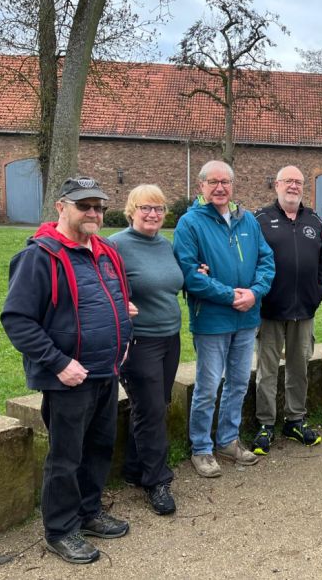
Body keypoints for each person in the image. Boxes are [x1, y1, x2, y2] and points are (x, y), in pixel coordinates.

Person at [1, 176, 133, 564]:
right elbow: (17, 319)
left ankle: (89, 512)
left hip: (106, 370)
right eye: (84, 206)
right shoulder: (39, 257)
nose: (93, 213)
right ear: (61, 207)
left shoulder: (106, 251)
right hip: (69, 378)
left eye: (99, 207)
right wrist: (59, 363)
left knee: (99, 447)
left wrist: (123, 327)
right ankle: (59, 530)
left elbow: (112, 298)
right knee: (66, 457)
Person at [173, 160, 275, 477]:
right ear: (201, 186)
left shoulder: (248, 220)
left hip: (247, 318)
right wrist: (231, 296)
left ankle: (228, 440)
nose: (220, 188)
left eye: (225, 182)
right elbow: (190, 275)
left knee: (239, 383)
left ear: (233, 185)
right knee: (207, 387)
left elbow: (267, 261)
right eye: (213, 182)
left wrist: (255, 293)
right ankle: (201, 448)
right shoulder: (190, 224)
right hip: (212, 320)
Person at [109, 185, 183, 515]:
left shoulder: (164, 245)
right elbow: (99, 285)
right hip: (139, 342)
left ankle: (135, 469)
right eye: (145, 208)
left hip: (170, 338)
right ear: (131, 210)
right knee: (151, 409)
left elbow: (171, 282)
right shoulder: (116, 245)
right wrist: (119, 303)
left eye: (159, 208)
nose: (153, 214)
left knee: (154, 406)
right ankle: (157, 481)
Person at [251, 165, 322, 454]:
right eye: (288, 181)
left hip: (304, 311)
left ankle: (295, 420)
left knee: (299, 368)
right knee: (267, 371)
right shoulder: (260, 219)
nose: (293, 186)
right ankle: (265, 424)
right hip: (270, 311)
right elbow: (249, 263)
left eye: (298, 182)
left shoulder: (314, 220)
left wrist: (317, 294)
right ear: (277, 185)